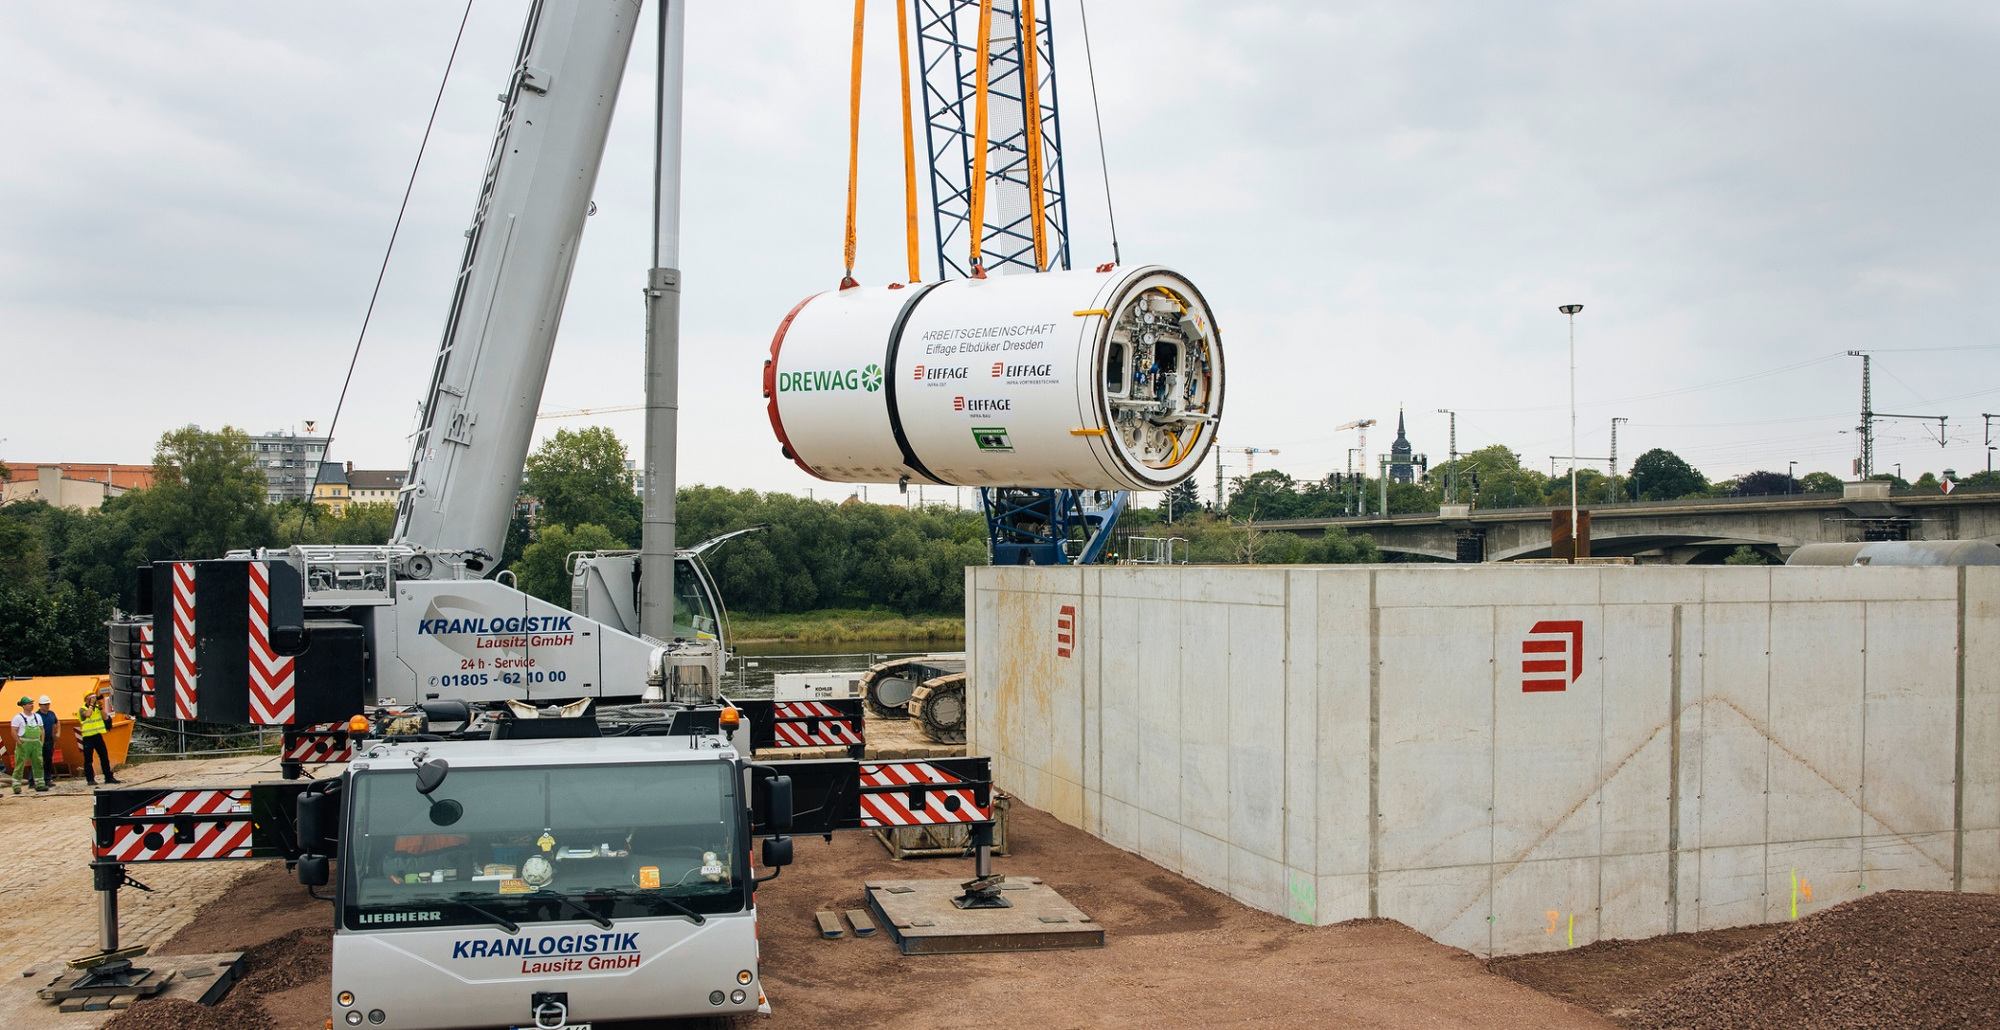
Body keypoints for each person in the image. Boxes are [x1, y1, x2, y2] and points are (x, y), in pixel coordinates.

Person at [76, 691, 119, 786]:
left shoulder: (96, 709)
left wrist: (100, 707)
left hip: (97, 736)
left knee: (104, 756)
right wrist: (91, 704)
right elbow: (87, 714)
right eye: (91, 698)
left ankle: (108, 777)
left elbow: (106, 718)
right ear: (86, 699)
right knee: (88, 759)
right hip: (87, 737)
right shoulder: (82, 709)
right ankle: (90, 779)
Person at [11, 697, 46, 793]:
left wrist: (41, 741)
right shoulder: (18, 718)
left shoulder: (37, 717)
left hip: (36, 743)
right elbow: (13, 731)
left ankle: (40, 784)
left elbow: (42, 729)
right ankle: (16, 785)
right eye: (29, 703)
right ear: (24, 706)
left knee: (38, 763)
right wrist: (19, 742)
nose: (32, 705)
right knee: (20, 764)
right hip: (24, 743)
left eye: (32, 703)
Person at [36, 695, 59, 786]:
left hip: (49, 740)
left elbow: (57, 722)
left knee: (48, 760)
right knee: (38, 761)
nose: (47, 706)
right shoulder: (37, 716)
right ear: (40, 705)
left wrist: (57, 733)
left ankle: (47, 779)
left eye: (48, 704)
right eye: (45, 704)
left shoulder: (51, 714)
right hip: (40, 740)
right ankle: (34, 780)